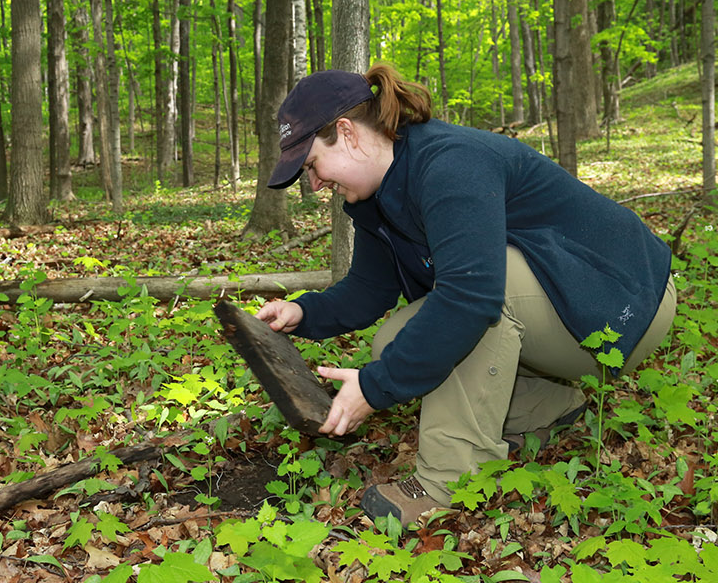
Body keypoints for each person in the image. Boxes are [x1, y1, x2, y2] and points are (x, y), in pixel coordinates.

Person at [256, 64, 677, 525]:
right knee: (396, 341)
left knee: (472, 303)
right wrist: (302, 312)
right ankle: (546, 406)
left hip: (622, 304)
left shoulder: (449, 162)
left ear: (347, 132)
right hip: (562, 307)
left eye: (312, 164)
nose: (313, 184)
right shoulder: (373, 198)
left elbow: (470, 297)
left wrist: (373, 390)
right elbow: (369, 289)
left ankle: (443, 483)